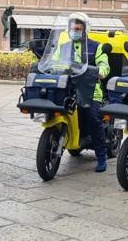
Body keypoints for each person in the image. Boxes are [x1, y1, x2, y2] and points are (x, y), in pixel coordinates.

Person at [54, 13, 111, 172]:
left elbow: (105, 66)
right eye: (73, 25)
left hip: (91, 90)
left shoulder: (96, 46)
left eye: (78, 26)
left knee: (93, 118)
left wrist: (100, 71)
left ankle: (101, 155)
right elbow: (54, 62)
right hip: (67, 88)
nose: (75, 28)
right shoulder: (63, 46)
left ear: (85, 28)